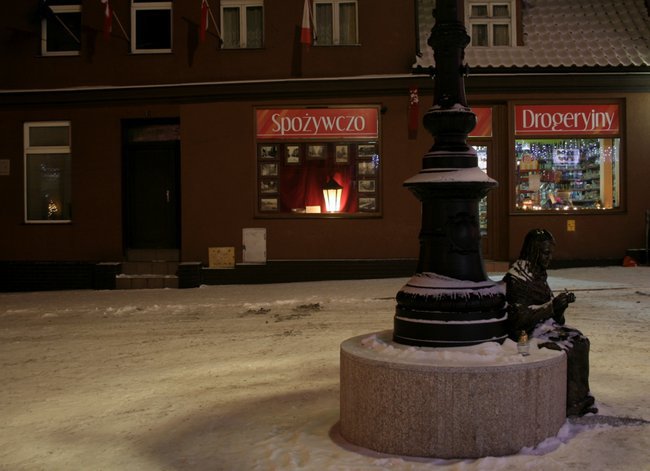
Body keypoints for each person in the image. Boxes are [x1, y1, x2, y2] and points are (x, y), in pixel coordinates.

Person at [503, 228, 597, 417]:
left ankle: (579, 399)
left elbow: (556, 319)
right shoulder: (517, 279)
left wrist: (559, 308)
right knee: (572, 346)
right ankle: (574, 403)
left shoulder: (538, 275)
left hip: (541, 328)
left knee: (579, 340)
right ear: (533, 251)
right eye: (546, 253)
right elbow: (518, 319)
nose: (549, 258)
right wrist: (551, 307)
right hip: (523, 337)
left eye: (551, 253)